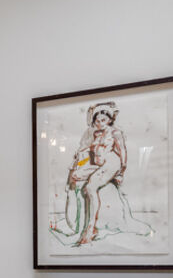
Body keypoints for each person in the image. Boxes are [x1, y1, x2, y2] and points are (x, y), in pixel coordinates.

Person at [61, 102, 150, 245]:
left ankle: (90, 229)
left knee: (90, 187)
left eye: (103, 120)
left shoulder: (115, 133)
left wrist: (121, 172)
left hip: (112, 162)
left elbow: (123, 151)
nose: (100, 123)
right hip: (99, 163)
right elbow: (90, 146)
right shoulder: (96, 133)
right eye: (97, 121)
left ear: (109, 119)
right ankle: (83, 224)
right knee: (77, 177)